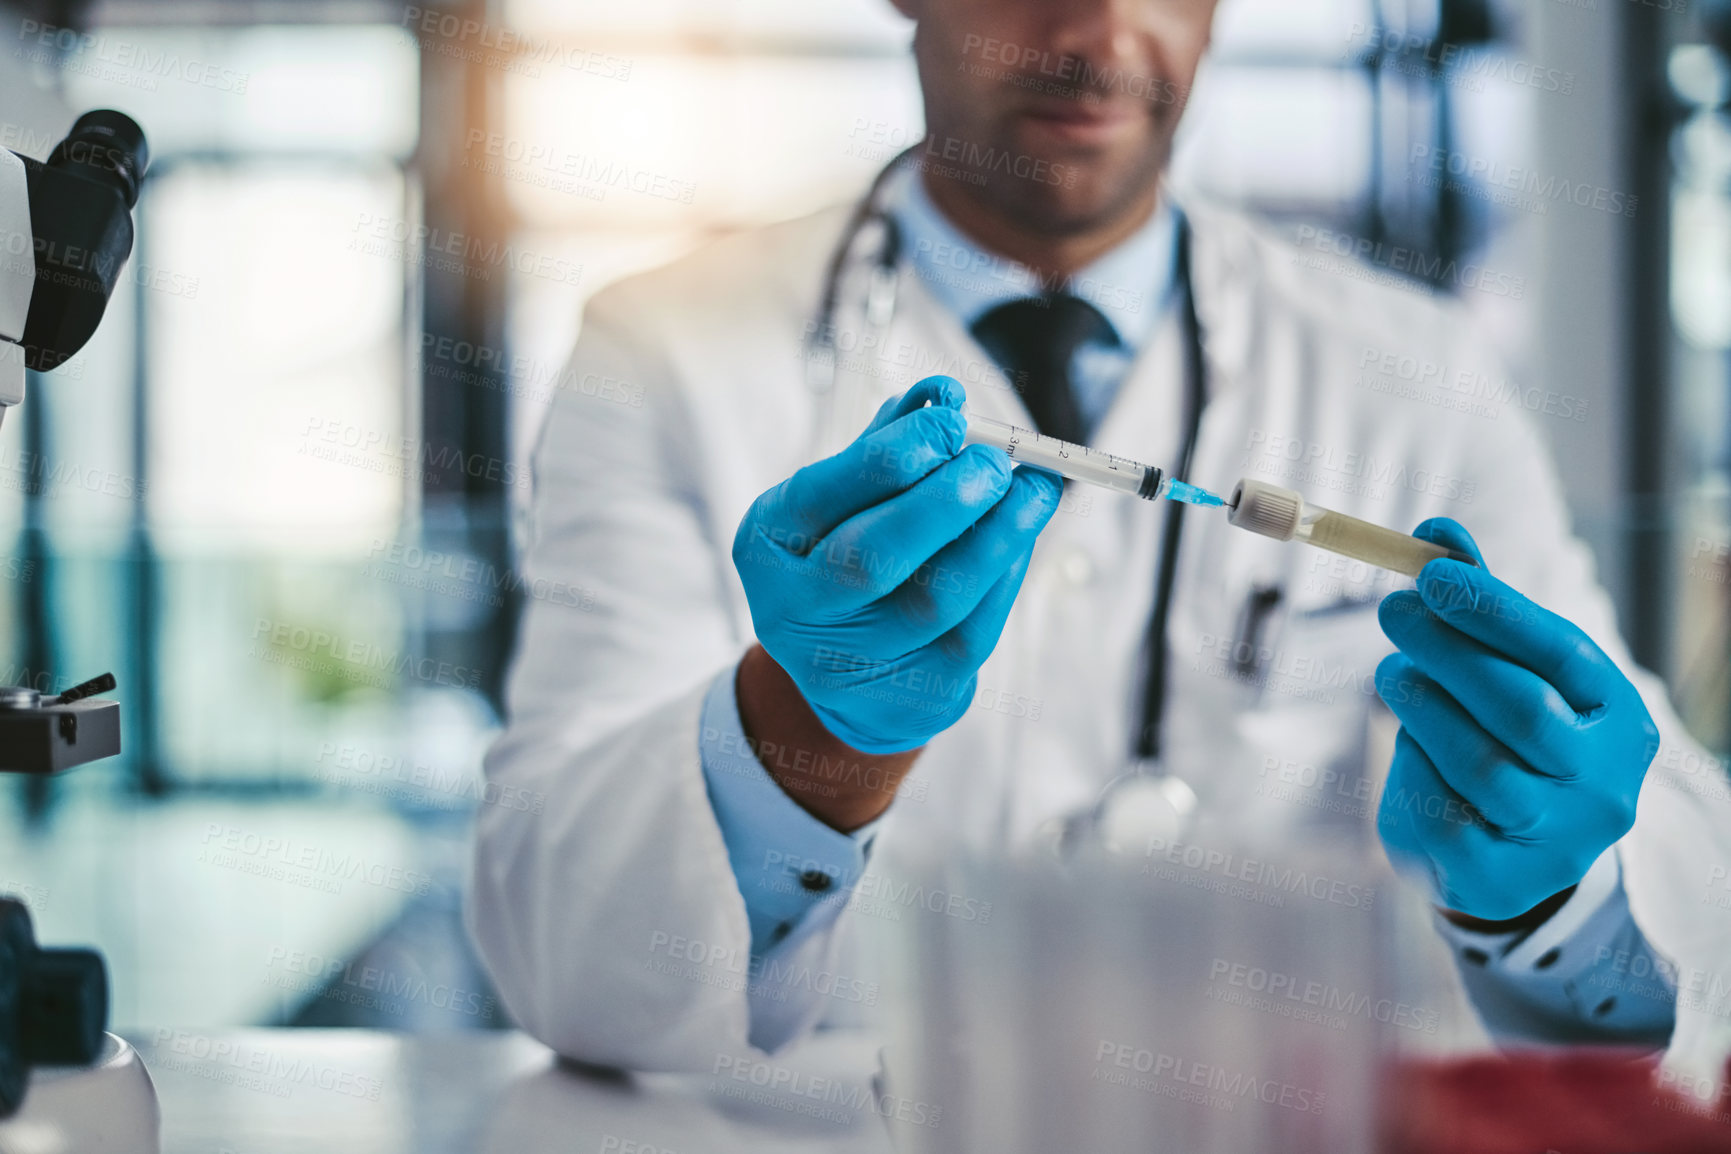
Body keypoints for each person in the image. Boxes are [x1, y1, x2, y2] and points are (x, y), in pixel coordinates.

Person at [468, 0, 1731, 1074]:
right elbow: (559, 952)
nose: (1095, 35)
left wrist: (1546, 887)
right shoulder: (667, 350)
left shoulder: (1412, 371)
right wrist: (807, 735)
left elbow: (1693, 912)